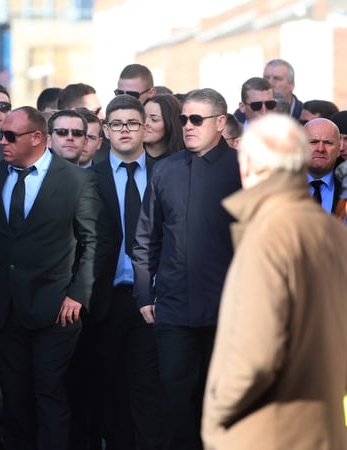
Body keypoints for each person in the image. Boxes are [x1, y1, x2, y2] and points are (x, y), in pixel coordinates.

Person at [0, 106, 108, 450]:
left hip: (57, 309)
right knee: (14, 400)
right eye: (1, 134)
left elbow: (94, 241)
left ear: (36, 138)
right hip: (4, 308)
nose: (2, 141)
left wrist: (78, 294)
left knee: (49, 393)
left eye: (10, 136)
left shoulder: (76, 180)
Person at [202, 114, 347, 449]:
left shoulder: (267, 234)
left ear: (249, 165)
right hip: (322, 424)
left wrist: (217, 417)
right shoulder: (332, 231)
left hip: (269, 429)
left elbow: (254, 353)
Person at [132, 88, 241, 450]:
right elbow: (147, 236)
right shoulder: (165, 170)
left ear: (220, 123)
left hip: (230, 311)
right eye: (183, 119)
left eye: (197, 119)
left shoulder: (244, 170)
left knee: (223, 403)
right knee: (174, 401)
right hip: (174, 309)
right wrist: (144, 293)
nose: (188, 126)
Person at [82, 94, 163, 450]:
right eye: (117, 124)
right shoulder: (88, 178)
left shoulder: (168, 172)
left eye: (133, 123)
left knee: (148, 395)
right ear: (105, 130)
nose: (125, 130)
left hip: (154, 301)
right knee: (108, 394)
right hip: (104, 300)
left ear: (146, 128)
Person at [303, 118, 343, 214]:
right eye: (313, 142)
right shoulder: (279, 188)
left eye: (328, 142)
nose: (320, 149)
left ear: (338, 150)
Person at [143, 94, 183, 160]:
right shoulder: (127, 155)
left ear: (170, 123)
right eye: (143, 117)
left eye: (154, 120)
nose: (145, 123)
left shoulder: (185, 160)